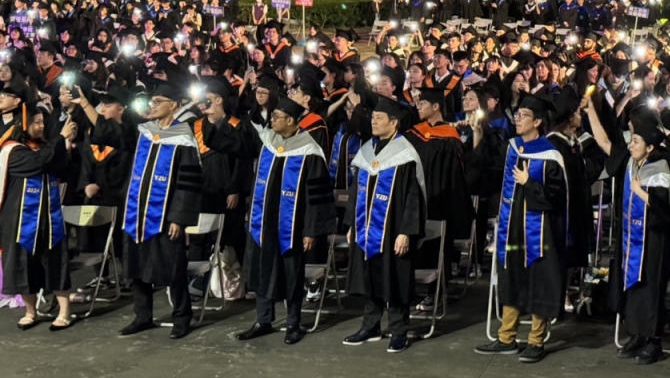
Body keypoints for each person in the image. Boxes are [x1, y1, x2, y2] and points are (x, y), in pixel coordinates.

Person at [203, 91, 336, 345]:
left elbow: (316, 196)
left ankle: (293, 324)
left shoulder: (309, 151)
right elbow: (230, 143)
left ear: (291, 120)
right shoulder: (267, 141)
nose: (271, 121)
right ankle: (263, 320)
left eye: (276, 117)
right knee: (262, 270)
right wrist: (215, 121)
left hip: (292, 227)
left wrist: (310, 231)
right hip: (262, 222)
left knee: (291, 275)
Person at [86, 82, 202, 339]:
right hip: (136, 212)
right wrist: (84, 104)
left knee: (173, 268)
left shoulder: (184, 137)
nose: (153, 105)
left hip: (165, 216)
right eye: (152, 101)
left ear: (173, 105)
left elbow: (188, 182)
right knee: (136, 266)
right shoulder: (143, 131)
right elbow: (110, 133)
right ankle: (143, 316)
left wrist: (179, 218)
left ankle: (182, 316)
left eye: (158, 101)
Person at [475, 93, 567, 364]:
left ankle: (536, 341)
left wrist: (529, 183)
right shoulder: (512, 147)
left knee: (538, 281)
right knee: (511, 278)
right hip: (511, 227)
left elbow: (556, 198)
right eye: (517, 115)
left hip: (539, 232)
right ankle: (506, 338)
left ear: (537, 121)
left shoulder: (551, 154)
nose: (518, 119)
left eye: (524, 116)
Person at [590, 103, 670, 364]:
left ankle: (654, 341)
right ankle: (637, 334)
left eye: (636, 141)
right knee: (633, 287)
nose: (630, 145)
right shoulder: (631, 163)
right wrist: (590, 110)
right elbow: (605, 143)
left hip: (655, 242)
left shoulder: (659, 170)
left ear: (650, 146)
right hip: (631, 238)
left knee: (651, 289)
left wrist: (642, 193)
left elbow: (663, 214)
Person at [343, 96, 426, 354]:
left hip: (394, 231)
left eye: (379, 118)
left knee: (396, 279)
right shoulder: (367, 151)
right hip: (366, 228)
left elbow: (414, 196)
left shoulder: (405, 154)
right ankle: (371, 326)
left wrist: (406, 231)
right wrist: (351, 224)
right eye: (373, 117)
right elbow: (356, 190)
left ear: (394, 123)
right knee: (369, 276)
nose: (373, 121)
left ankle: (399, 331)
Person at [0, 94, 73, 331]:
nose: (41, 126)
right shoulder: (12, 151)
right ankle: (30, 311)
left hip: (50, 218)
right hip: (21, 220)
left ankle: (64, 312)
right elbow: (37, 163)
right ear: (24, 124)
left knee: (56, 262)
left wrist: (63, 144)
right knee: (25, 265)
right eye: (36, 122)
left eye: (43, 122)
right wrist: (60, 139)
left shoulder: (45, 147)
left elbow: (60, 166)